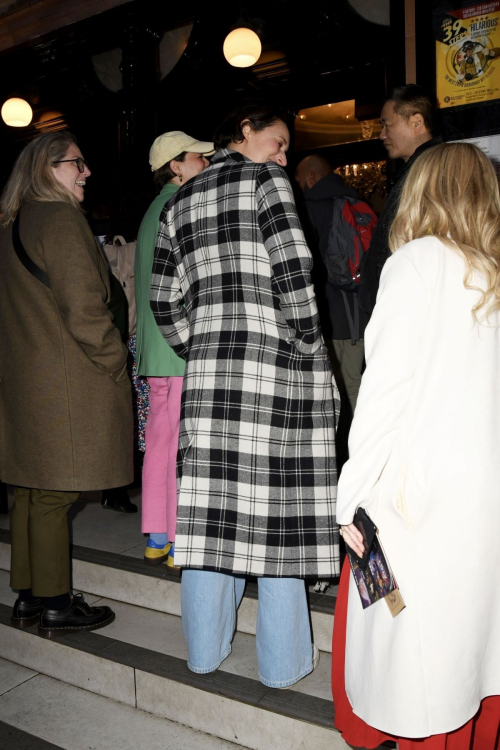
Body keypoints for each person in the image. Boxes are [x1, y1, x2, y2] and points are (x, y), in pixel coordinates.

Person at [150, 102, 340, 688]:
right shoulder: (265, 181)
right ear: (245, 132)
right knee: (282, 515)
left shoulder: (178, 200)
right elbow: (295, 270)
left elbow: (163, 298)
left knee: (209, 518)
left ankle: (204, 652)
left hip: (211, 380)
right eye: (278, 141)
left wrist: (202, 345)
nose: (283, 155)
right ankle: (281, 667)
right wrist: (307, 343)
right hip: (278, 374)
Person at [332, 142, 500, 748]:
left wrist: (349, 497)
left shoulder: (418, 261)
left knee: (419, 671)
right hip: (485, 497)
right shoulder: (494, 269)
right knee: (475, 654)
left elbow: (383, 394)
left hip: (420, 498)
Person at [0, 132, 133, 636]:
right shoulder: (59, 220)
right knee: (53, 496)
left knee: (32, 491)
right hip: (67, 380)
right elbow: (85, 309)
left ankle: (29, 597)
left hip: (27, 379)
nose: (86, 172)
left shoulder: (14, 222)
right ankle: (57, 604)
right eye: (77, 163)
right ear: (46, 167)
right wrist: (117, 359)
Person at [136, 131, 213, 566]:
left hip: (153, 347)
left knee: (161, 443)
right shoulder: (181, 206)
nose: (204, 163)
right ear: (175, 166)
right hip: (178, 345)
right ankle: (180, 539)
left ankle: (158, 534)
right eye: (196, 158)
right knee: (180, 446)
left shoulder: (152, 210)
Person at [295, 154, 373, 419]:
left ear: (311, 176)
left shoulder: (307, 208)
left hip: (327, 315)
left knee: (328, 389)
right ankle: (365, 449)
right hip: (360, 313)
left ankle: (341, 452)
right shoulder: (359, 202)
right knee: (355, 383)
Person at [359, 84, 442, 316]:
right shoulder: (419, 168)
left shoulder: (431, 170)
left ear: (416, 123)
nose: (382, 134)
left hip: (408, 310)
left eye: (387, 124)